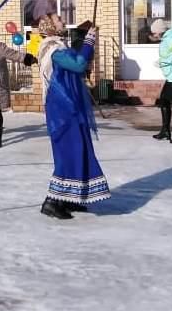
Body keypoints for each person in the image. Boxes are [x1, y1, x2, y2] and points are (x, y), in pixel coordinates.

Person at [36, 14, 110, 220]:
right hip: (62, 109)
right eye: (58, 19)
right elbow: (77, 64)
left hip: (70, 105)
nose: (62, 21)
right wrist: (88, 41)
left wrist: (88, 42)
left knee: (80, 149)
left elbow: (79, 64)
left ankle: (70, 198)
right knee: (69, 152)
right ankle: (51, 202)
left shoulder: (61, 45)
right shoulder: (52, 48)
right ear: (50, 26)